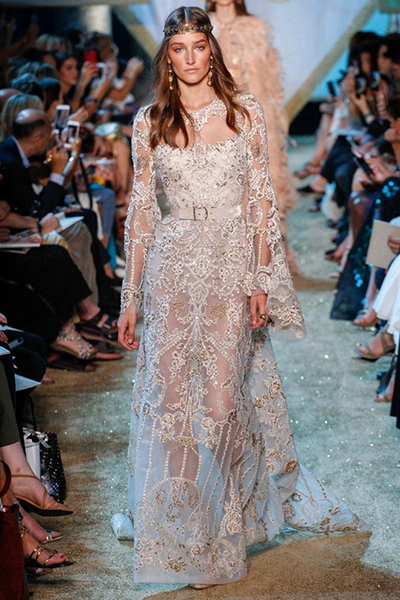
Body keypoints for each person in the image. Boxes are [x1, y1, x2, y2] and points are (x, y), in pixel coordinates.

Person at [116, 6, 367, 589]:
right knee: (172, 403)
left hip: (230, 267)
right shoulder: (149, 121)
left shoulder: (243, 111)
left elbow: (260, 202)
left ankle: (220, 529)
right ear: (167, 57)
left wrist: (260, 279)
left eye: (198, 46)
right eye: (178, 49)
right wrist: (130, 297)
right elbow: (142, 214)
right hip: (173, 269)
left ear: (212, 50)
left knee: (221, 402)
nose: (190, 58)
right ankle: (184, 532)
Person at [205, 0, 294, 235]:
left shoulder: (255, 28)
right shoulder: (202, 28)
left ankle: (271, 234)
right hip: (217, 112)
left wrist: (272, 115)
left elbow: (268, 77)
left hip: (255, 110)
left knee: (264, 171)